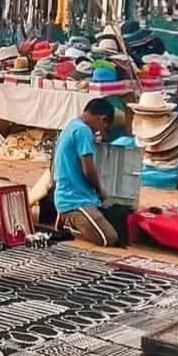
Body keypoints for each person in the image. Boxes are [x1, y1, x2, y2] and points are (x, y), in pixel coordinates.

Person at [52, 98, 118, 247]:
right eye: (104, 128)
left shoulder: (73, 125)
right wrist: (99, 190)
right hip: (74, 199)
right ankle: (68, 223)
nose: (99, 132)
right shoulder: (83, 131)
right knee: (109, 238)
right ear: (102, 119)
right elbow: (88, 170)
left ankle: (69, 219)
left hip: (74, 195)